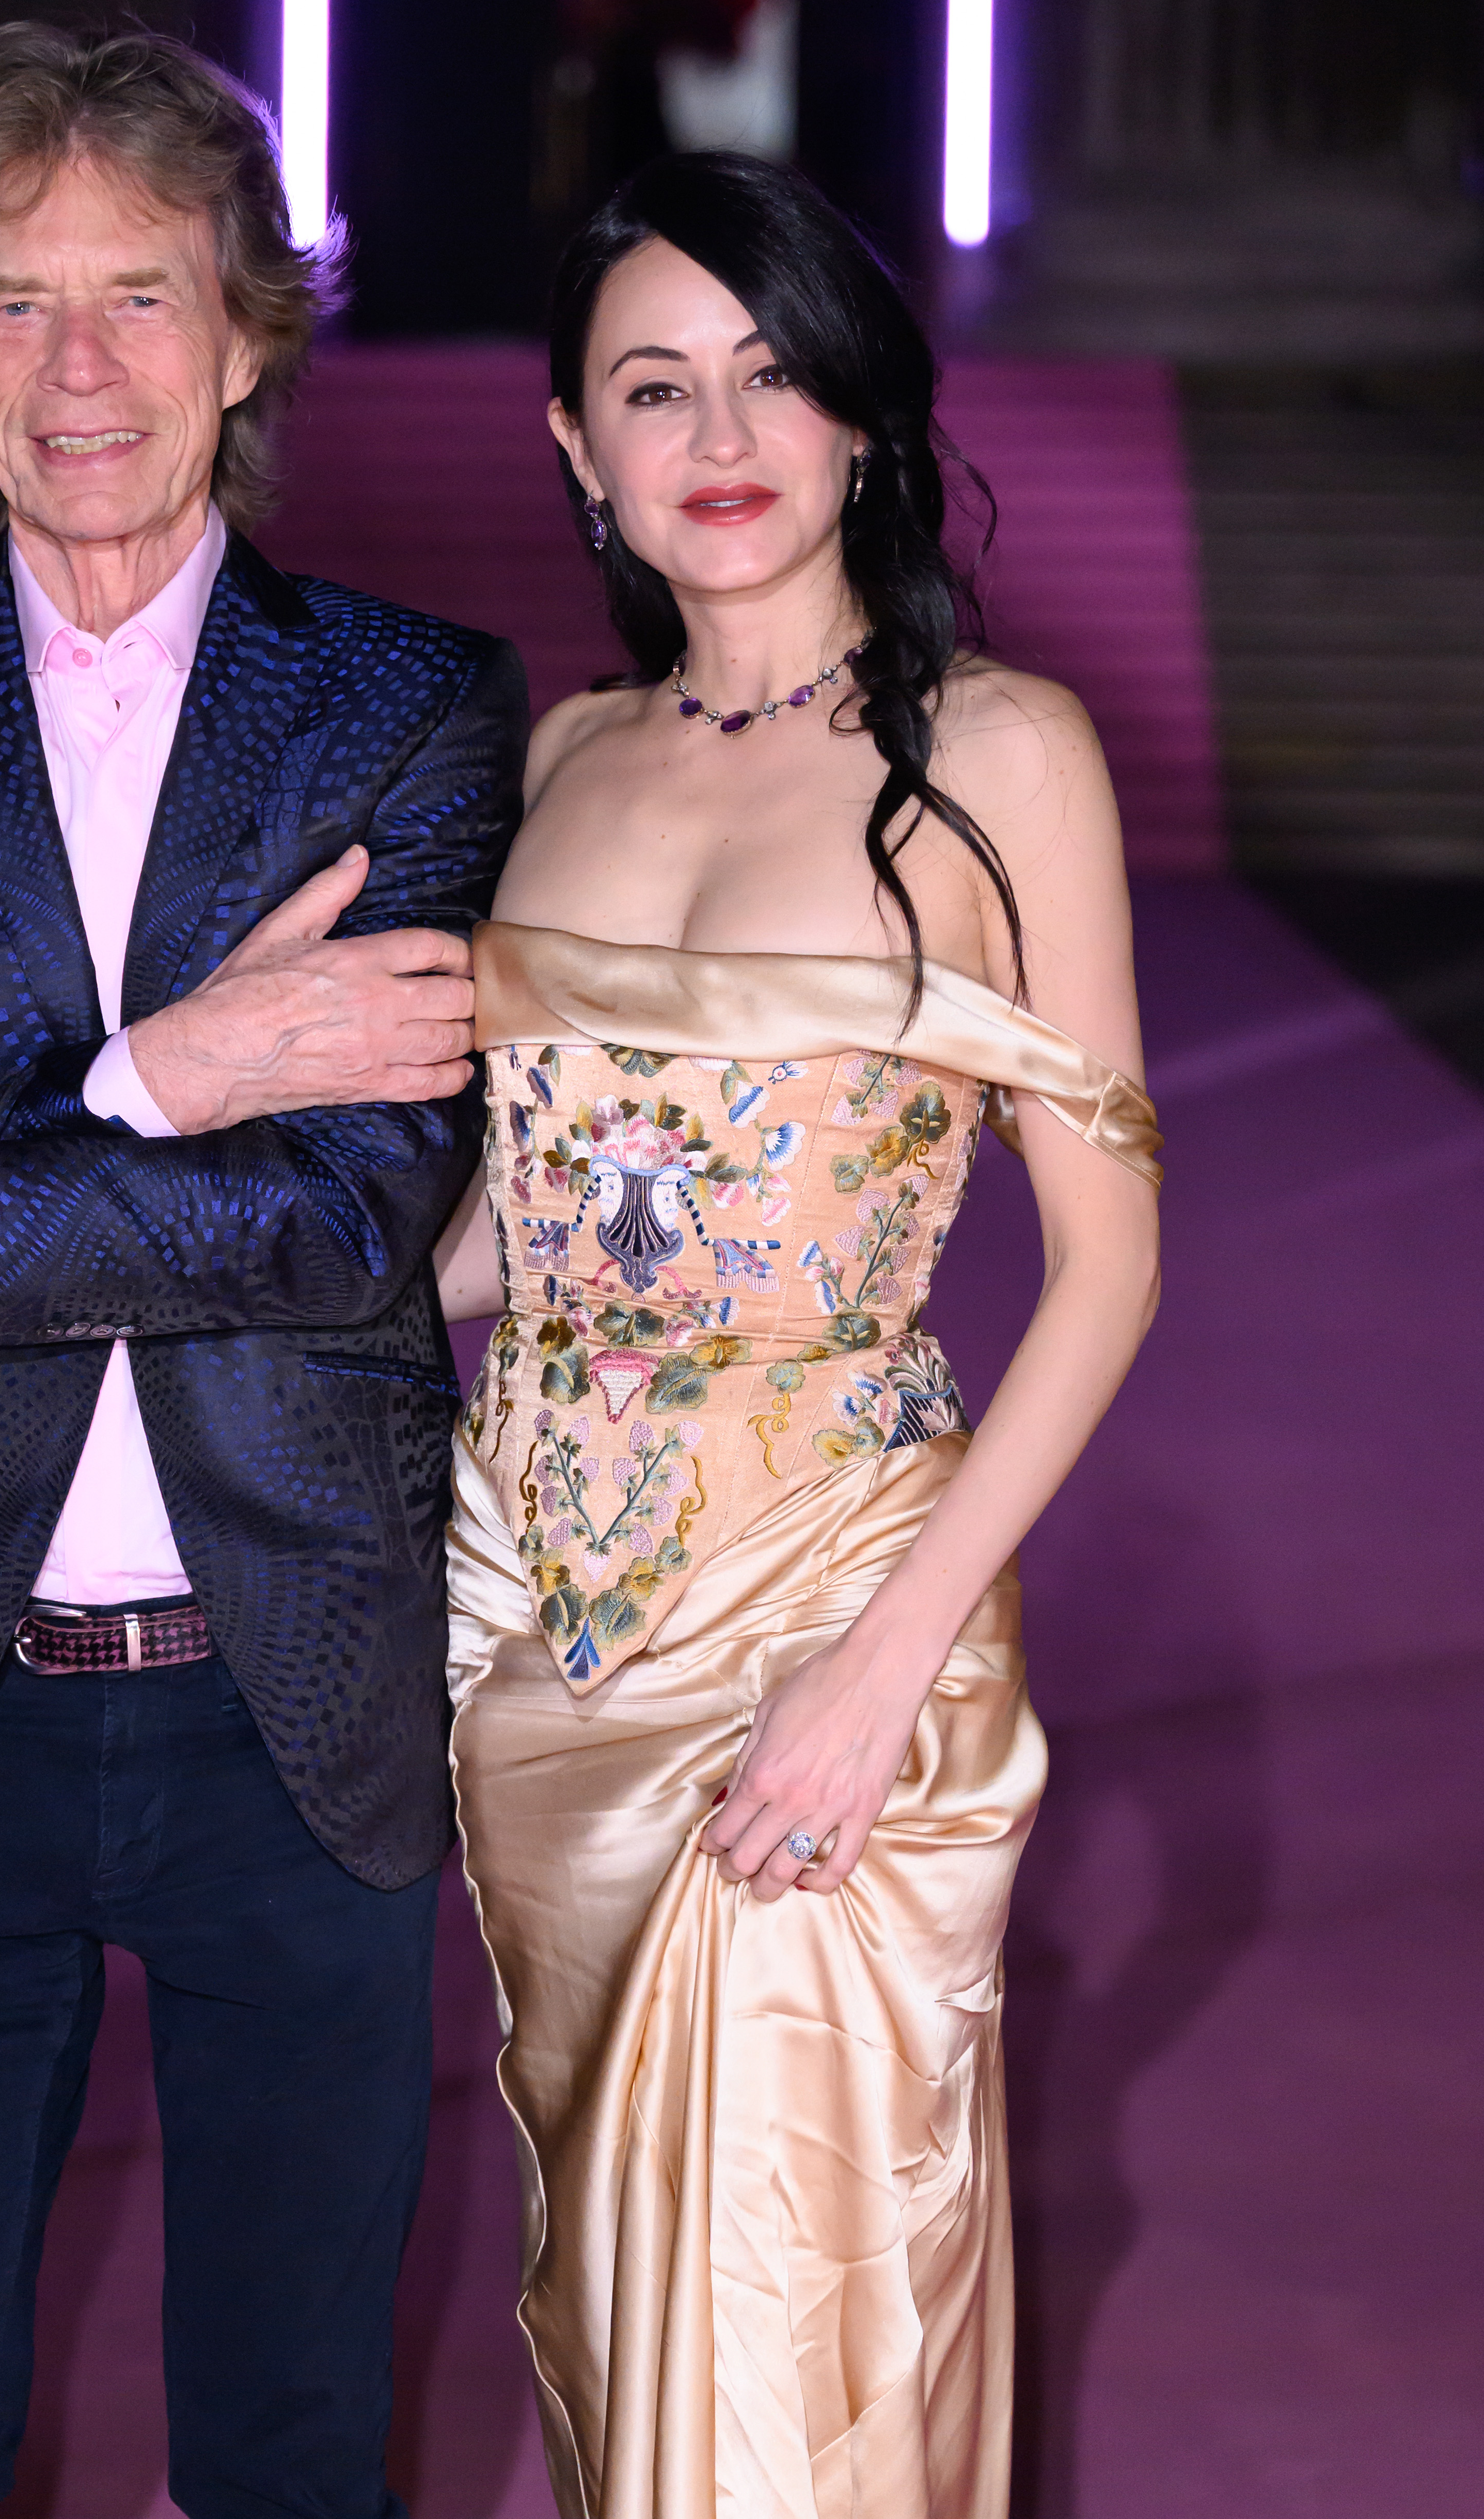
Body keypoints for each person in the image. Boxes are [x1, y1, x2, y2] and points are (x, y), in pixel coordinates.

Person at [0, 25, 524, 2519]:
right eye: (15, 301)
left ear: (247, 337)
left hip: (299, 1693)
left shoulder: (408, 708)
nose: (80, 366)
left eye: (141, 294)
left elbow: (353, 1224)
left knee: (290, 2448)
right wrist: (178, 1071)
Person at [431, 151, 1162, 2517]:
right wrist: (143, 1242)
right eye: (653, 385)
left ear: (861, 411)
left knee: (784, 2308)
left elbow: (1109, 1262)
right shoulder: (561, 755)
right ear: (576, 443)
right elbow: (514, 1230)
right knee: (616, 2290)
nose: (720, 431)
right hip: (533, 1621)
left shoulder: (1004, 753)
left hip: (834, 1604)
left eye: (770, 371)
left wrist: (881, 1667)